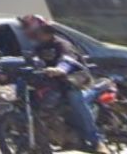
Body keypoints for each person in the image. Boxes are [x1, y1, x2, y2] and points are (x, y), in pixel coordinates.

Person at [19, 15, 108, 154]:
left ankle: (97, 141)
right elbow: (32, 61)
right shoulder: (38, 47)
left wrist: (61, 69)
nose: (25, 32)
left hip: (76, 80)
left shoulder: (61, 44)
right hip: (56, 83)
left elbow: (68, 59)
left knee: (74, 99)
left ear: (40, 30)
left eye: (27, 29)